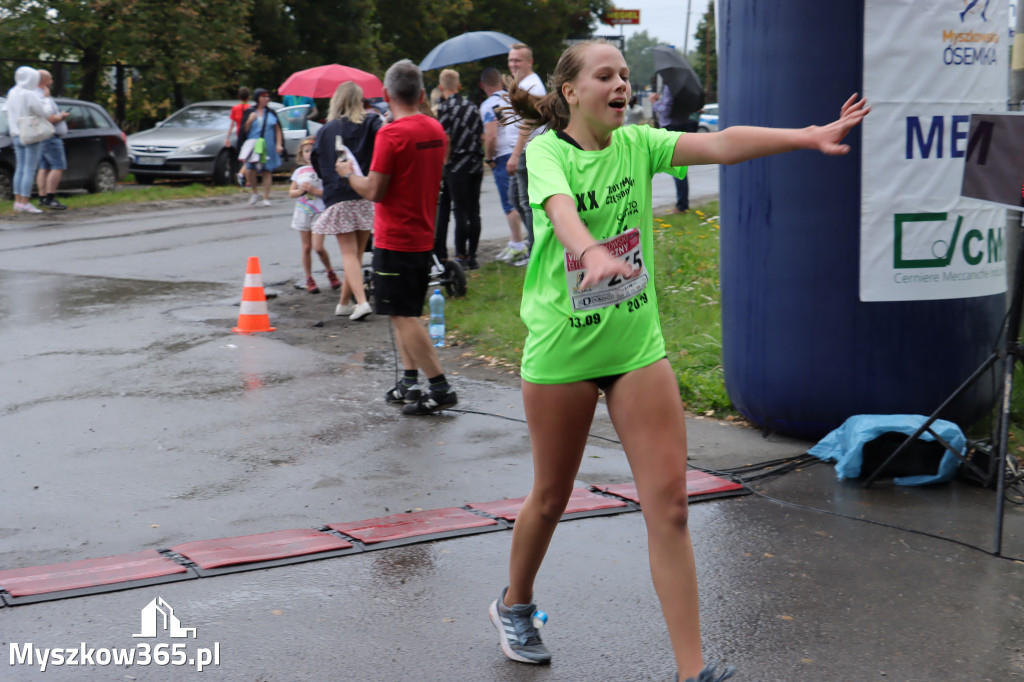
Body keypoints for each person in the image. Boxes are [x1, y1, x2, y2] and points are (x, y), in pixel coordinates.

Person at [490, 39, 868, 681]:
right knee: (551, 497)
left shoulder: (639, 145)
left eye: (625, 77)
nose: (621, 86)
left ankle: (693, 672)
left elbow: (721, 144)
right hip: (563, 351)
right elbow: (561, 214)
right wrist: (593, 253)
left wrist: (808, 135)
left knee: (668, 506)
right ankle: (514, 603)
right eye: (605, 76)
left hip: (636, 349)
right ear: (572, 91)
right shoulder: (550, 154)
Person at [334, 59, 458, 416]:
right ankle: (409, 382)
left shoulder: (391, 134)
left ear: (387, 95)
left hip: (394, 237)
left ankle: (440, 386)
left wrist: (347, 174)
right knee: (406, 311)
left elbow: (374, 189)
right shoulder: (436, 129)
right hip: (423, 233)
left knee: (403, 316)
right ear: (421, 93)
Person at [310, 82, 382, 320]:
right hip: (364, 193)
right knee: (358, 253)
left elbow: (317, 163)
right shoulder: (371, 122)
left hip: (339, 195)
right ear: (360, 100)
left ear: (336, 100)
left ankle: (360, 302)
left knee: (349, 254)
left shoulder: (325, 130)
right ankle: (343, 303)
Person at [436, 69, 483, 269]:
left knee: (460, 212)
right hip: (476, 163)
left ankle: (461, 256)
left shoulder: (444, 108)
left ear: (441, 87)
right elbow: (481, 135)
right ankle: (472, 256)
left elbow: (446, 138)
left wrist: (445, 163)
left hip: (457, 164)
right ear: (459, 85)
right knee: (474, 211)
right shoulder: (472, 106)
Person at [480, 67, 528, 263]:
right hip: (519, 149)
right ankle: (515, 241)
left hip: (502, 155)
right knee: (521, 199)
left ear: (482, 85)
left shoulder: (488, 105)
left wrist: (489, 157)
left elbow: (491, 136)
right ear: (500, 81)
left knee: (510, 203)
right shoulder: (511, 97)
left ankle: (518, 243)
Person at [505, 43, 547, 266]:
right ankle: (535, 245)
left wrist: (515, 154)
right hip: (521, 150)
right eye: (511, 60)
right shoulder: (521, 84)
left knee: (527, 203)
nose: (513, 64)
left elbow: (528, 124)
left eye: (517, 60)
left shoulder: (532, 86)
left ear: (529, 62)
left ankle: (536, 252)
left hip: (528, 150)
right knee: (516, 199)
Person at [6, 66, 62, 214]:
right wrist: (45, 98)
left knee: (20, 169)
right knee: (29, 170)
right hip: (30, 134)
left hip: (16, 134)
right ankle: (25, 202)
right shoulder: (29, 94)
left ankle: (18, 202)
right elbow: (44, 112)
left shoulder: (12, 92)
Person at [288, 136, 339, 295]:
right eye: (306, 151)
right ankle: (309, 278)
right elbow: (291, 192)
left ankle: (330, 271)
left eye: (312, 151)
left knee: (317, 247)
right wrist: (301, 191)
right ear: (301, 153)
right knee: (307, 247)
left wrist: (313, 190)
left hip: (319, 212)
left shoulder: (323, 170)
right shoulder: (299, 172)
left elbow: (328, 193)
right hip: (303, 211)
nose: (309, 154)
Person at [650, 83, 697, 213]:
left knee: (676, 168)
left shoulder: (670, 87)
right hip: (683, 125)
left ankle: (682, 205)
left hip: (671, 128)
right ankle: (683, 203)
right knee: (680, 168)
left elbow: (665, 109)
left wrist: (654, 102)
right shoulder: (683, 88)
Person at [35, 69, 71, 210]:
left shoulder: (35, 95)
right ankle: (50, 197)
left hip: (42, 136)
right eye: (50, 79)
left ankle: (42, 197)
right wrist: (62, 116)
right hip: (50, 136)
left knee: (44, 167)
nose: (52, 81)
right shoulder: (43, 97)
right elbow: (49, 118)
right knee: (58, 166)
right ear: (43, 81)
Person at [241, 88, 283, 206]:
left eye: (267, 97)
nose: (266, 99)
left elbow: (278, 130)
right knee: (250, 170)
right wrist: (249, 121)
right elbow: (243, 131)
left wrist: (279, 144)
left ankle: (266, 197)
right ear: (257, 98)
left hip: (268, 145)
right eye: (263, 97)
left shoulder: (271, 113)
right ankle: (255, 193)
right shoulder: (250, 112)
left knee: (266, 171)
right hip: (253, 145)